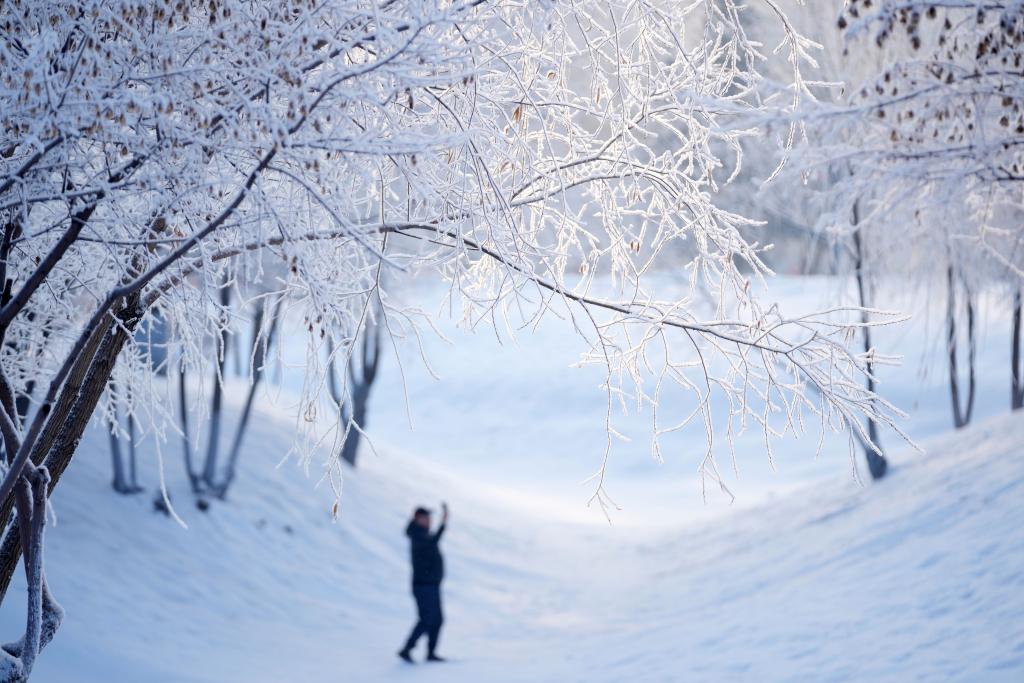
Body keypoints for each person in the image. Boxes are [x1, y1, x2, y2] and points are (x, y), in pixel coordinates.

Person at [398, 502, 448, 663]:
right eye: (427, 518)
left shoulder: (422, 534)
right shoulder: (417, 535)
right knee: (426, 619)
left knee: (437, 619)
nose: (429, 521)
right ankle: (406, 649)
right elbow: (433, 541)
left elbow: (433, 540)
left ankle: (430, 653)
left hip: (432, 585)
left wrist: (444, 523)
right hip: (423, 586)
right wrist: (443, 524)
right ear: (418, 518)